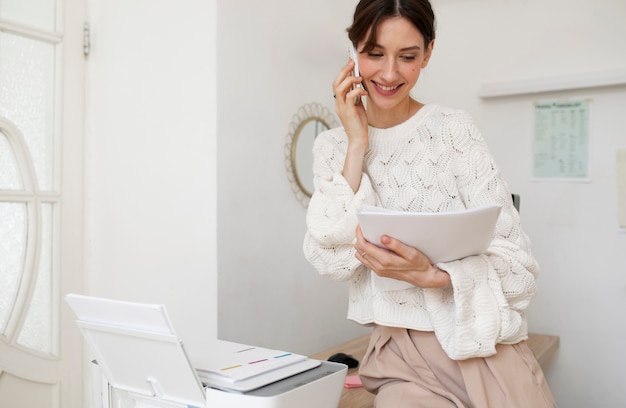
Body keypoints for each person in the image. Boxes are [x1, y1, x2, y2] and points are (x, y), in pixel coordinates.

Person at [303, 0, 557, 406]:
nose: (388, 74)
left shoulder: (453, 132)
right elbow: (330, 260)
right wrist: (356, 144)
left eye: (407, 57)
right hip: (399, 361)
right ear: (352, 53)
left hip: (484, 350)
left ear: (429, 52)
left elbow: (520, 274)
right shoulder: (333, 148)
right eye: (373, 54)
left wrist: (433, 276)